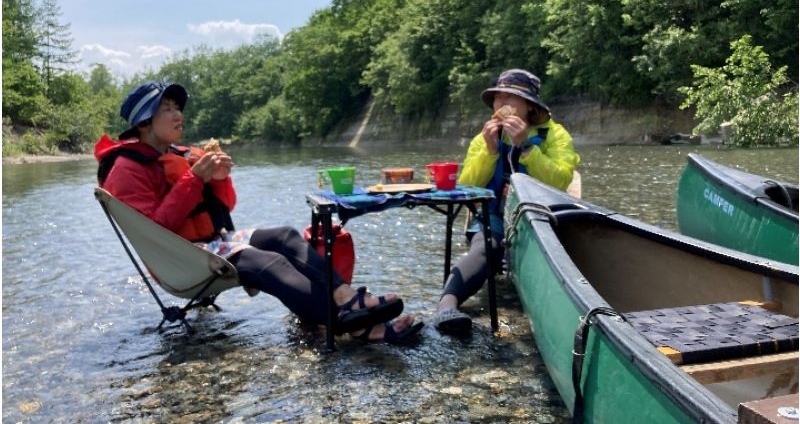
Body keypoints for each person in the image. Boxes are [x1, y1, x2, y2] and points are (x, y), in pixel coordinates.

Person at [95, 81, 423, 343]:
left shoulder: (182, 153)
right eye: (166, 109)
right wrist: (195, 179)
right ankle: (357, 326)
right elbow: (157, 232)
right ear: (143, 123)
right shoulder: (125, 169)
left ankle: (345, 296)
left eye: (178, 107)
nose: (178, 114)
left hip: (210, 241)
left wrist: (219, 179)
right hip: (181, 259)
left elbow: (224, 208)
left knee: (284, 235)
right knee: (267, 262)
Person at [432, 69, 580, 334]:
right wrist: (489, 151)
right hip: (494, 216)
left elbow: (560, 181)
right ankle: (446, 306)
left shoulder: (555, 135)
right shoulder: (485, 136)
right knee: (486, 245)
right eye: (498, 98)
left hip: (538, 215)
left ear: (529, 106)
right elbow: (468, 187)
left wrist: (526, 146)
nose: (502, 105)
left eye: (510, 99)